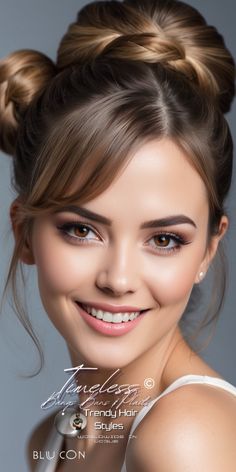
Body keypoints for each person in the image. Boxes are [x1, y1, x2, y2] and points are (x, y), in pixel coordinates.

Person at [1, 0, 236, 470]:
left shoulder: (186, 439)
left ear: (209, 249)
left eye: (165, 239)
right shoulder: (53, 441)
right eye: (82, 230)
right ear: (24, 231)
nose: (119, 278)